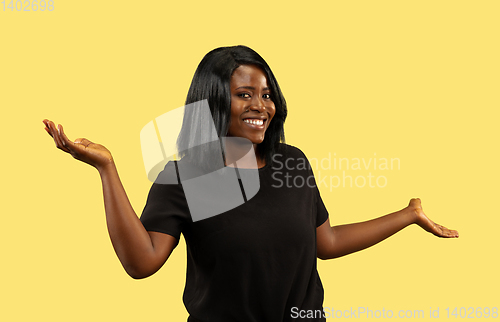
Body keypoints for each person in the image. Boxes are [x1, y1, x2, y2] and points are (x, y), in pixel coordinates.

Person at [43, 45, 458, 322]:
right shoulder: (185, 177)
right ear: (214, 102)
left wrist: (408, 216)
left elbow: (325, 243)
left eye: (266, 94)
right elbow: (142, 262)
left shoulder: (291, 162)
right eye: (245, 94)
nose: (261, 106)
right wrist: (107, 169)